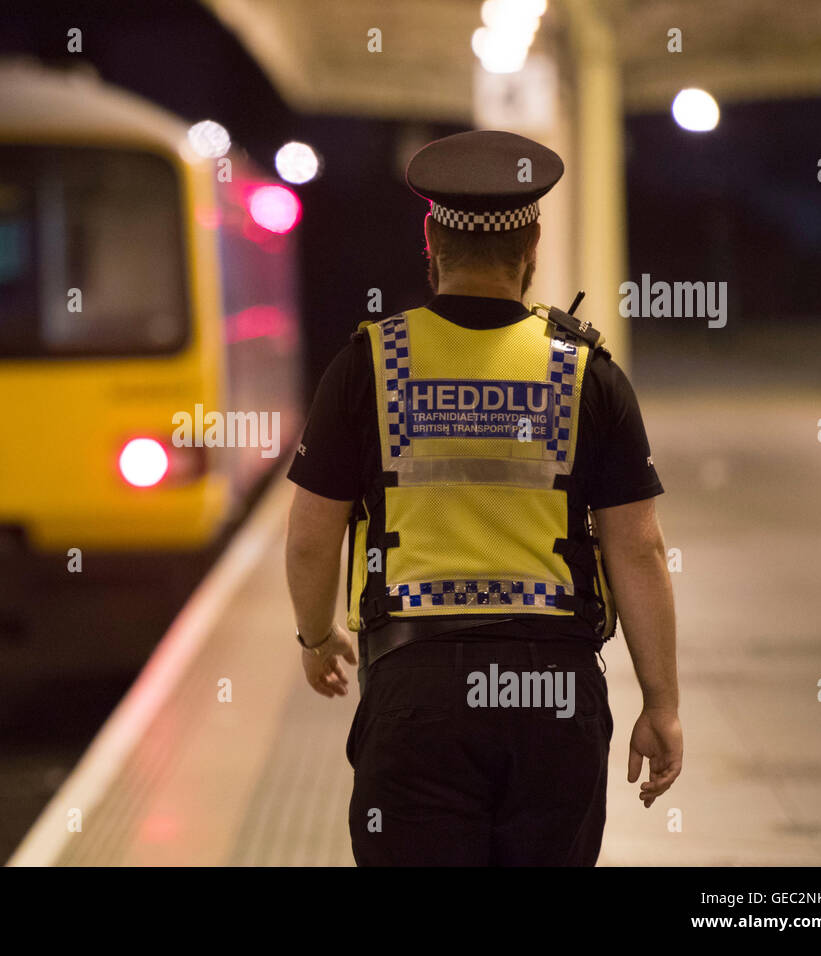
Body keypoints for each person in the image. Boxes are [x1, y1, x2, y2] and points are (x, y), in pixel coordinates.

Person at [284, 129, 682, 866]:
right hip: (553, 695)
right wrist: (661, 705)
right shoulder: (587, 373)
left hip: (416, 692)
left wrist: (316, 639)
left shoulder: (368, 364)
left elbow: (311, 536)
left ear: (429, 237)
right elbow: (639, 548)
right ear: (532, 243)